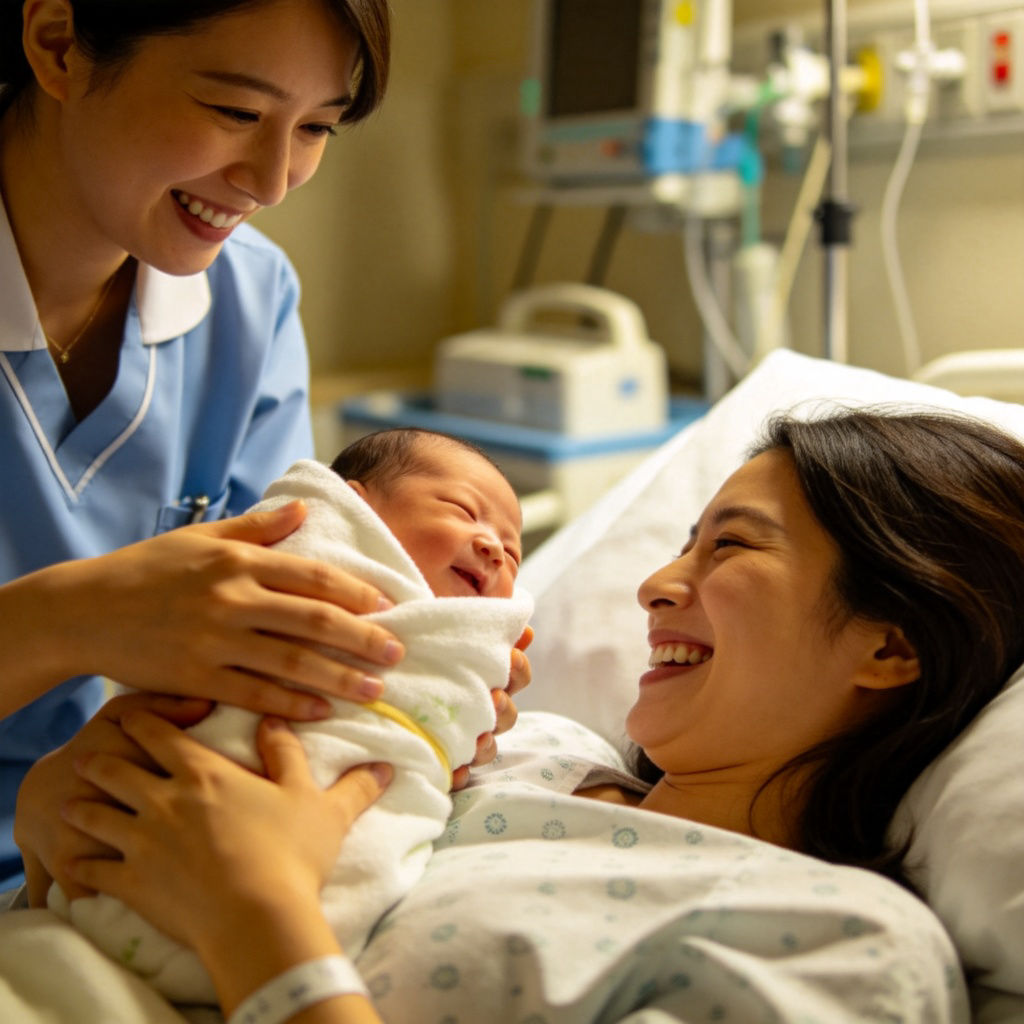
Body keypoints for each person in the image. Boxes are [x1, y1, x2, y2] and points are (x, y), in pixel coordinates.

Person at [16, 406, 1024, 1023]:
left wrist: (258, 923)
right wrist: (66, 810)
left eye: (731, 548)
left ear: (889, 645)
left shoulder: (839, 949)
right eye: (682, 541)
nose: (657, 586)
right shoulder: (512, 747)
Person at [0, 0, 528, 893]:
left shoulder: (251, 301)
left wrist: (406, 669)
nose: (274, 178)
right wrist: (76, 619)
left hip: (125, 844)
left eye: (317, 126)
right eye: (236, 112)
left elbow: (285, 618)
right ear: (58, 46)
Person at [48, 426, 533, 1002]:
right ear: (356, 505)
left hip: (284, 934)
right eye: (462, 510)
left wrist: (450, 713)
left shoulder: (505, 702)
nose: (496, 549)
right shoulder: (307, 549)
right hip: (114, 824)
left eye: (514, 554)